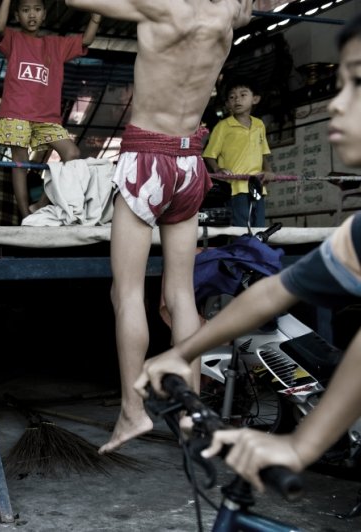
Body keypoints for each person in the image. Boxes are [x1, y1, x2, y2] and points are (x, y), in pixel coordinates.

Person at [135, 14, 361, 493]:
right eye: (338, 84)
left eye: (357, 83)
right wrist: (184, 353)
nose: (337, 105)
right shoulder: (355, 235)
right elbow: (277, 292)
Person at [65, 0, 252, 454]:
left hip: (147, 157)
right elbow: (245, 11)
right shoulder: (228, 13)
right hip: (189, 165)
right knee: (181, 295)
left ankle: (132, 411)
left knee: (126, 293)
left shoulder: (162, 8)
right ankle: (190, 413)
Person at [0, 0, 101, 221]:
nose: (31, 15)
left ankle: (39, 205)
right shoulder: (13, 39)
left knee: (72, 154)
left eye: (37, 10)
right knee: (20, 163)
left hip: (47, 117)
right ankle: (25, 216)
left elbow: (87, 39)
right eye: (25, 10)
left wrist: (97, 14)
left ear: (44, 15)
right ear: (17, 15)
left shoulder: (56, 45)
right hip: (16, 112)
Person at [203, 76, 274, 228]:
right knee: (240, 227)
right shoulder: (223, 127)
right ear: (228, 104)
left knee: (259, 226)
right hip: (234, 187)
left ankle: (256, 252)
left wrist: (269, 171)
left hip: (257, 185)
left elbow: (262, 154)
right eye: (232, 97)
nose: (237, 100)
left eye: (243, 95)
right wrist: (218, 169)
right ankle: (242, 251)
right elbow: (209, 155)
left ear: (255, 99)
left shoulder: (259, 125)